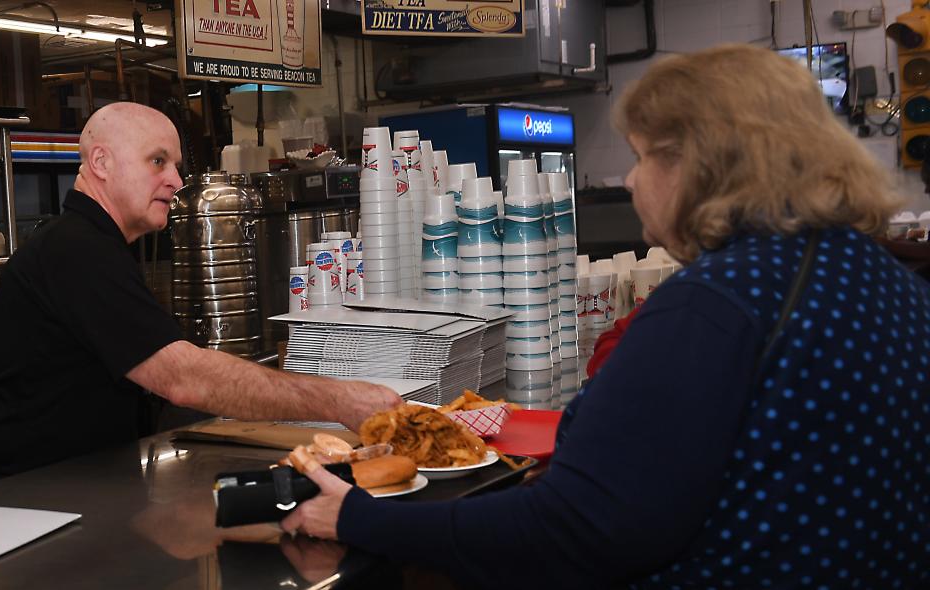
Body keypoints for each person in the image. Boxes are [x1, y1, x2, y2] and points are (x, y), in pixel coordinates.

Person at [278, 44, 930, 588]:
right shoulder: (883, 281)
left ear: (700, 165)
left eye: (642, 156)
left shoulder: (712, 305)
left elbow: (580, 529)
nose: (627, 180)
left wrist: (362, 519)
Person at [0, 102, 401, 482]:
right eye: (157, 162)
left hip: (72, 483)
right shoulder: (76, 250)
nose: (175, 181)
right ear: (101, 162)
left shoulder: (94, 245)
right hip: (24, 499)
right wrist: (341, 399)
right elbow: (182, 378)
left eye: (175, 165)